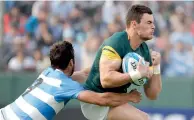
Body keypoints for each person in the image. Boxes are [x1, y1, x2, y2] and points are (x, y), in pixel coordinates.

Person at [0, 41, 141, 120]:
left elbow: (86, 73)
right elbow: (101, 100)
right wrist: (129, 96)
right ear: (71, 63)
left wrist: (113, 63)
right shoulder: (66, 85)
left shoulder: (48, 73)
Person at [80, 4, 162, 120]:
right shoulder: (117, 42)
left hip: (115, 100)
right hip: (95, 101)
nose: (153, 26)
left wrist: (156, 66)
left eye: (153, 23)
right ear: (134, 24)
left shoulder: (144, 50)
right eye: (148, 23)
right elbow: (106, 80)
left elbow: (152, 94)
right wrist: (135, 75)